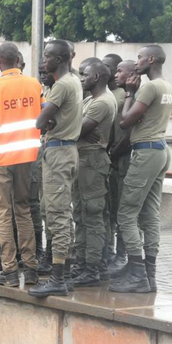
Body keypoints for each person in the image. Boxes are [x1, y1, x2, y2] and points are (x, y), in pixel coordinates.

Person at [109, 45, 172, 293]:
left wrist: (129, 93)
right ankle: (149, 274)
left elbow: (126, 122)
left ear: (151, 59)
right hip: (160, 149)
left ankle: (137, 273)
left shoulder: (149, 87)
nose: (136, 63)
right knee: (149, 213)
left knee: (126, 213)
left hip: (146, 151)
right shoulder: (167, 86)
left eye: (139, 58)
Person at [0, 43, 43, 287]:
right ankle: (30, 269)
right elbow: (43, 115)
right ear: (18, 59)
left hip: (0, 158)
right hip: (26, 157)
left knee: (2, 213)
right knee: (24, 210)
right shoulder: (34, 84)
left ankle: (8, 271)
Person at [29, 40, 82, 298]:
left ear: (59, 59)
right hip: (64, 150)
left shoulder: (61, 85)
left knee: (57, 215)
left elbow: (39, 120)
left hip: (59, 153)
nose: (43, 61)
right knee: (59, 212)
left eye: (48, 56)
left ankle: (58, 278)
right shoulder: (73, 81)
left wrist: (45, 120)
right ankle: (67, 274)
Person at [71, 61, 117, 287]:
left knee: (93, 215)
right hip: (83, 160)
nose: (81, 78)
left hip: (92, 160)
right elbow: (74, 125)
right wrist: (76, 128)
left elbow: (73, 129)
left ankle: (93, 267)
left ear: (97, 76)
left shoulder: (103, 102)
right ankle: (81, 264)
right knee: (80, 213)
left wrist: (76, 129)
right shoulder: (90, 99)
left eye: (85, 75)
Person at [107, 59, 135, 273]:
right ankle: (116, 253)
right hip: (115, 159)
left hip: (125, 159)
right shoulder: (120, 96)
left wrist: (113, 153)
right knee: (115, 208)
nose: (115, 74)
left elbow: (129, 132)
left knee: (124, 210)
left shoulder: (131, 97)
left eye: (118, 70)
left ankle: (123, 255)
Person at [100, 54, 125, 267]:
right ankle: (106, 251)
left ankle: (120, 254)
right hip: (105, 156)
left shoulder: (121, 95)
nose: (106, 70)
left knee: (119, 210)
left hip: (118, 157)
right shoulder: (102, 94)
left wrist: (114, 152)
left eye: (109, 67)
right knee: (105, 209)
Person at [35, 64, 55, 275]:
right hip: (45, 150)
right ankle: (48, 253)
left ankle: (58, 260)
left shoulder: (64, 88)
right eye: (40, 73)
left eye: (45, 72)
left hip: (58, 152)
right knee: (44, 207)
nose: (42, 76)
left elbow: (41, 121)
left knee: (55, 210)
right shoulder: (47, 90)